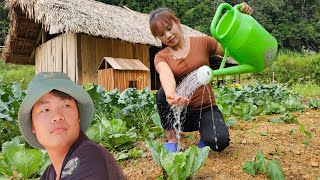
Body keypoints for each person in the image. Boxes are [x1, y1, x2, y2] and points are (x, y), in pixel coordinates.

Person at [149, 3, 253, 152]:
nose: (168, 35)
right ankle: (172, 139)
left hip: (205, 109)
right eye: (161, 34)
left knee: (219, 142)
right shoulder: (161, 56)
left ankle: (206, 134)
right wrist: (171, 94)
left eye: (169, 28)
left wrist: (241, 20)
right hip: (181, 111)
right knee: (161, 94)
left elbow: (229, 48)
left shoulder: (202, 42)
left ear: (177, 23)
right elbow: (165, 73)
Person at [18, 72, 125, 179]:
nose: (57, 116)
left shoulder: (90, 159)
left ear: (78, 115)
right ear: (33, 126)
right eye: (45, 110)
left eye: (65, 105)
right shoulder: (50, 174)